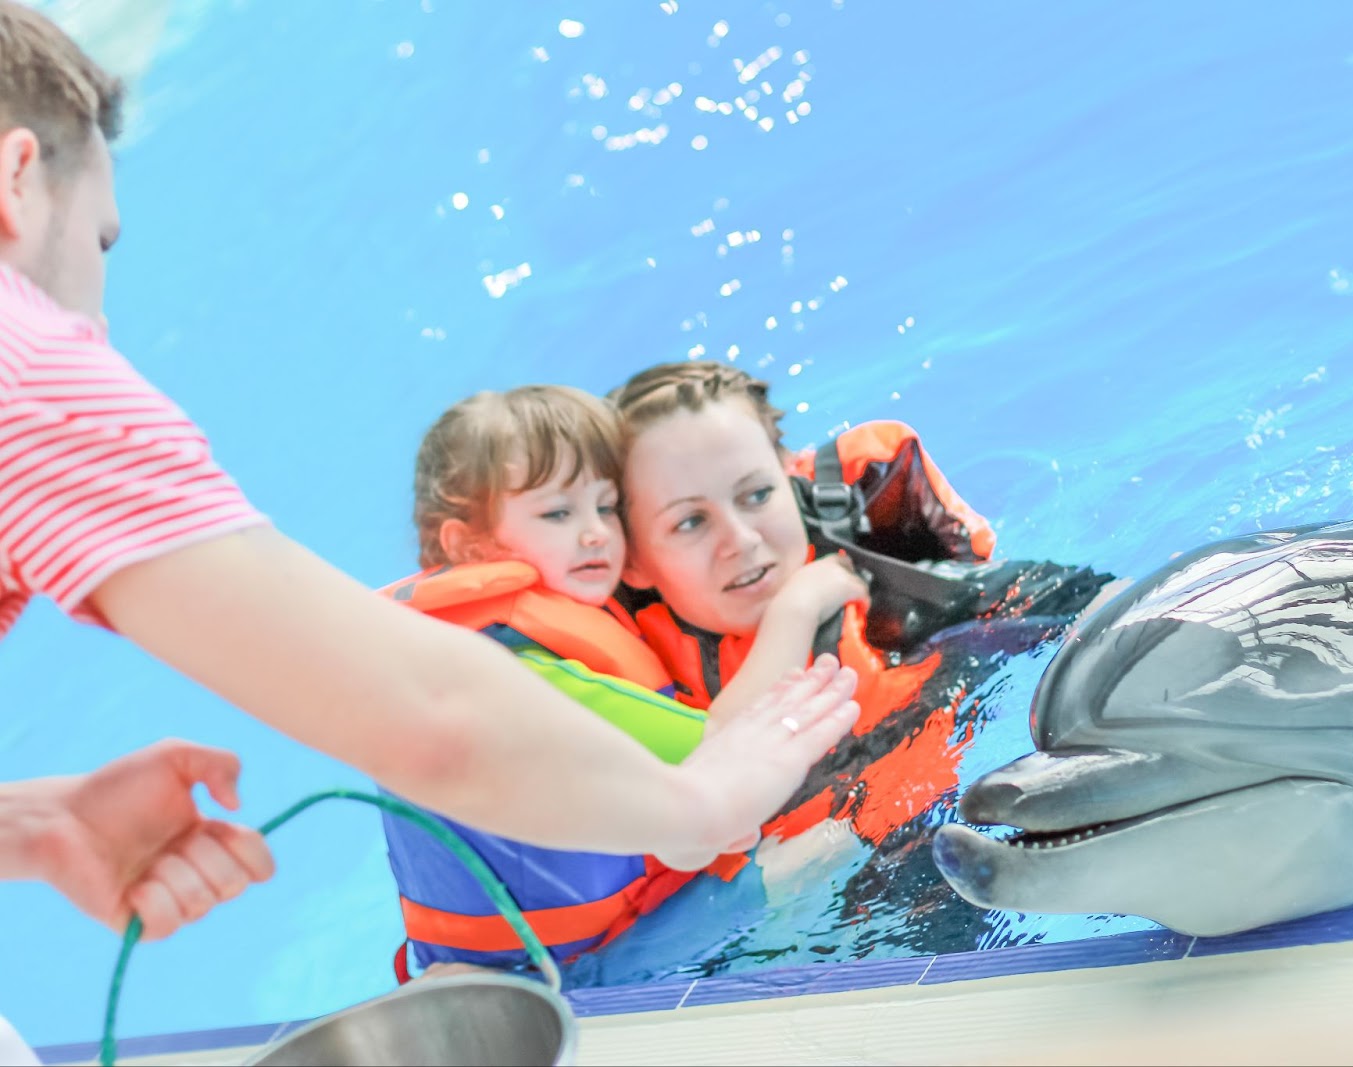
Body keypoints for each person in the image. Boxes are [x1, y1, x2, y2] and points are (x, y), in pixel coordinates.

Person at [0, 4, 859, 1053]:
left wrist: (28, 825)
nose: (95, 319)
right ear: (16, 180)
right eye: (98, 241)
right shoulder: (28, 364)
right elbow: (427, 714)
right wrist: (705, 800)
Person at [378, 384, 866, 976]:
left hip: (548, 954)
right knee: (828, 846)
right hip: (575, 975)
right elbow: (721, 745)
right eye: (559, 513)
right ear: (468, 546)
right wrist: (799, 604)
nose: (595, 534)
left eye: (605, 508)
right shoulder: (517, 668)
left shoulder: (493, 643)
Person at [610, 360, 1121, 847]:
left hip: (951, 818)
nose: (740, 539)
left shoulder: (879, 580)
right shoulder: (618, 687)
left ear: (789, 479)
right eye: (690, 523)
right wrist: (795, 613)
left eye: (757, 495)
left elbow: (1085, 600)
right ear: (631, 560)